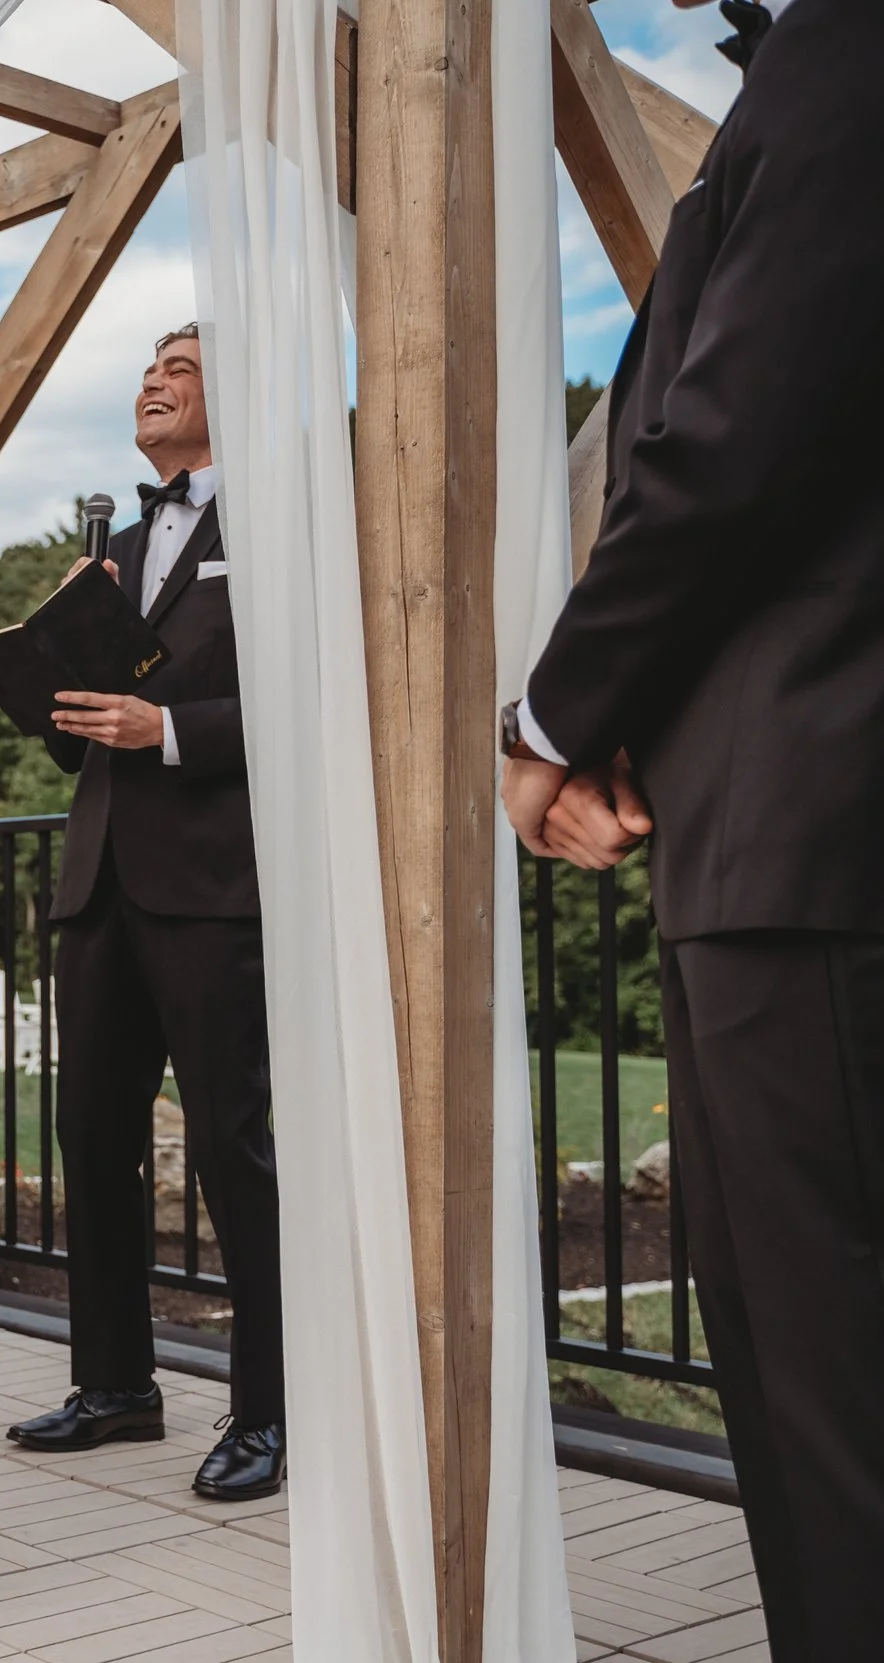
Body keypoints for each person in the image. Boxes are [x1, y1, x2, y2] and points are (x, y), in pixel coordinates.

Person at [500, 1, 884, 1653]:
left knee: (827, 1395)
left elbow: (725, 440)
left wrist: (551, 718)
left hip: (814, 825)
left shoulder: (849, 51)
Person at [3, 326, 286, 1503]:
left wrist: (164, 728)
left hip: (216, 884)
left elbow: (313, 691)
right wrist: (45, 675)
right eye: (145, 372)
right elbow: (71, 715)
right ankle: (117, 1384)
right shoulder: (112, 545)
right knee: (91, 1143)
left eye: (180, 367)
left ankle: (272, 1410)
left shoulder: (280, 523)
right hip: (99, 881)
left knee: (237, 1148)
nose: (152, 383)